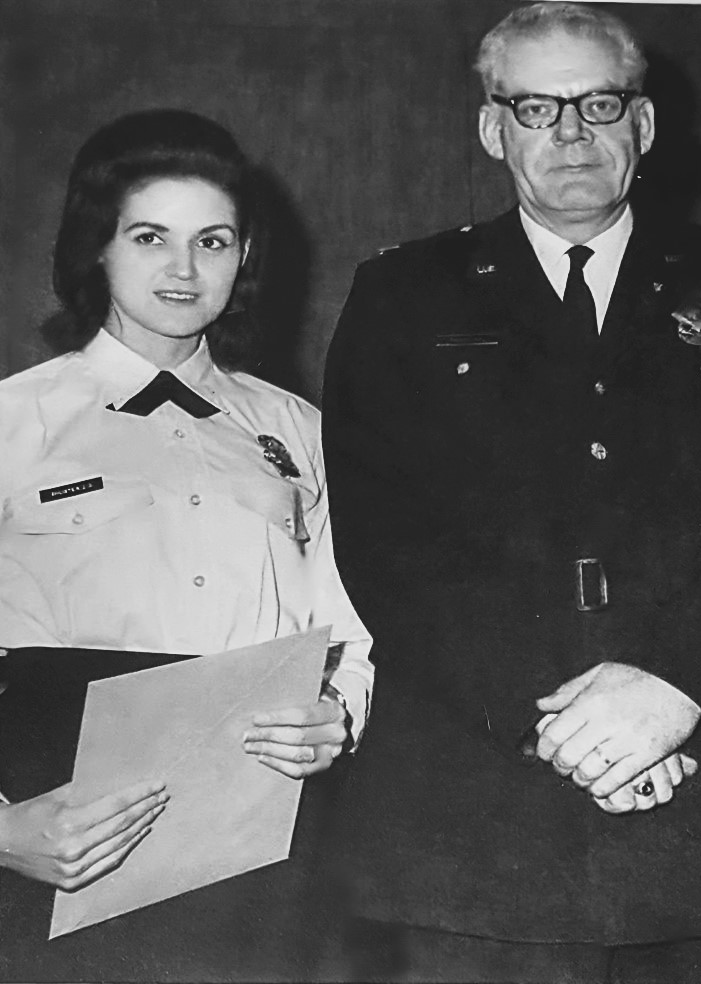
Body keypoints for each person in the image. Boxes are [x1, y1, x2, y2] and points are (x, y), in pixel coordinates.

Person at [322, 3, 701, 981]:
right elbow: (388, 543)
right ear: (493, 130)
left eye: (598, 103)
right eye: (536, 107)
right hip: (481, 825)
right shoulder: (404, 296)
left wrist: (678, 689)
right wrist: (568, 732)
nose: (570, 133)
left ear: (642, 124)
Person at [0, 108, 374, 981]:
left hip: (265, 828)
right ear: (97, 247)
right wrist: (3, 830)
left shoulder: (301, 429)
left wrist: (339, 717)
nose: (183, 269)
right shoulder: (15, 421)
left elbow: (356, 626)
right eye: (149, 238)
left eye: (212, 241)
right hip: (59, 831)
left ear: (244, 257)